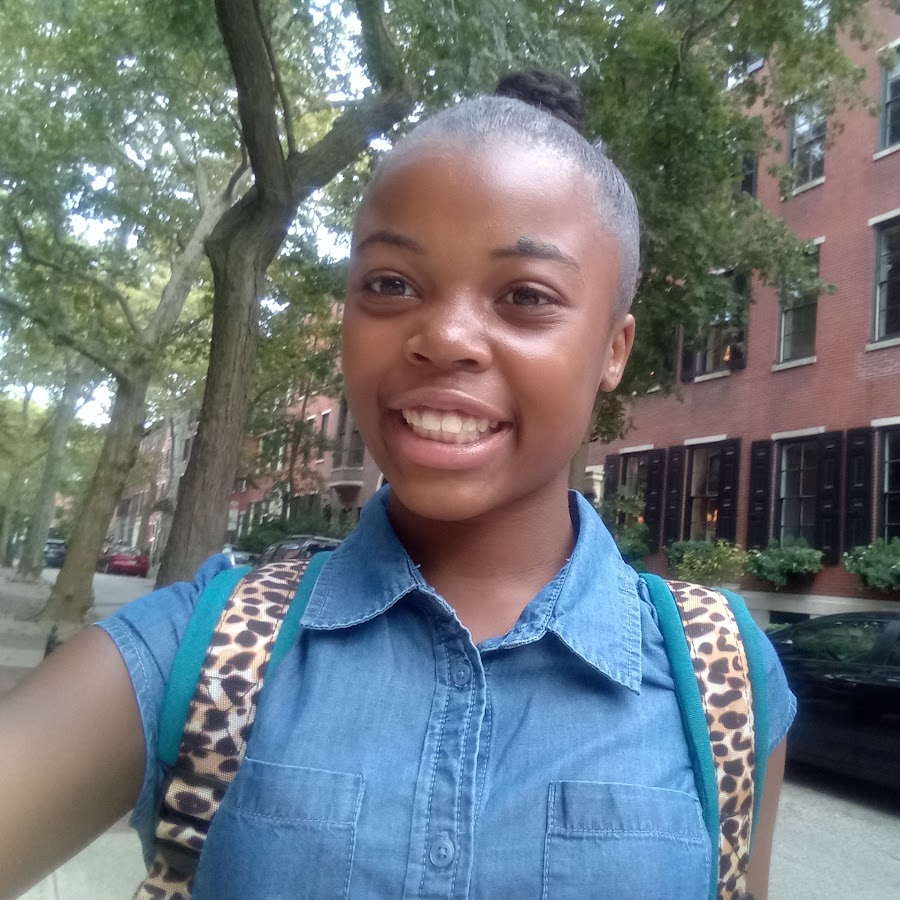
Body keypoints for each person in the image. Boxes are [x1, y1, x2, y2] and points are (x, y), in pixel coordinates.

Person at [0, 71, 794, 899]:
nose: (444, 337)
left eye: (526, 297)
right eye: (390, 284)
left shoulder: (724, 681)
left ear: (613, 349)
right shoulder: (200, 659)